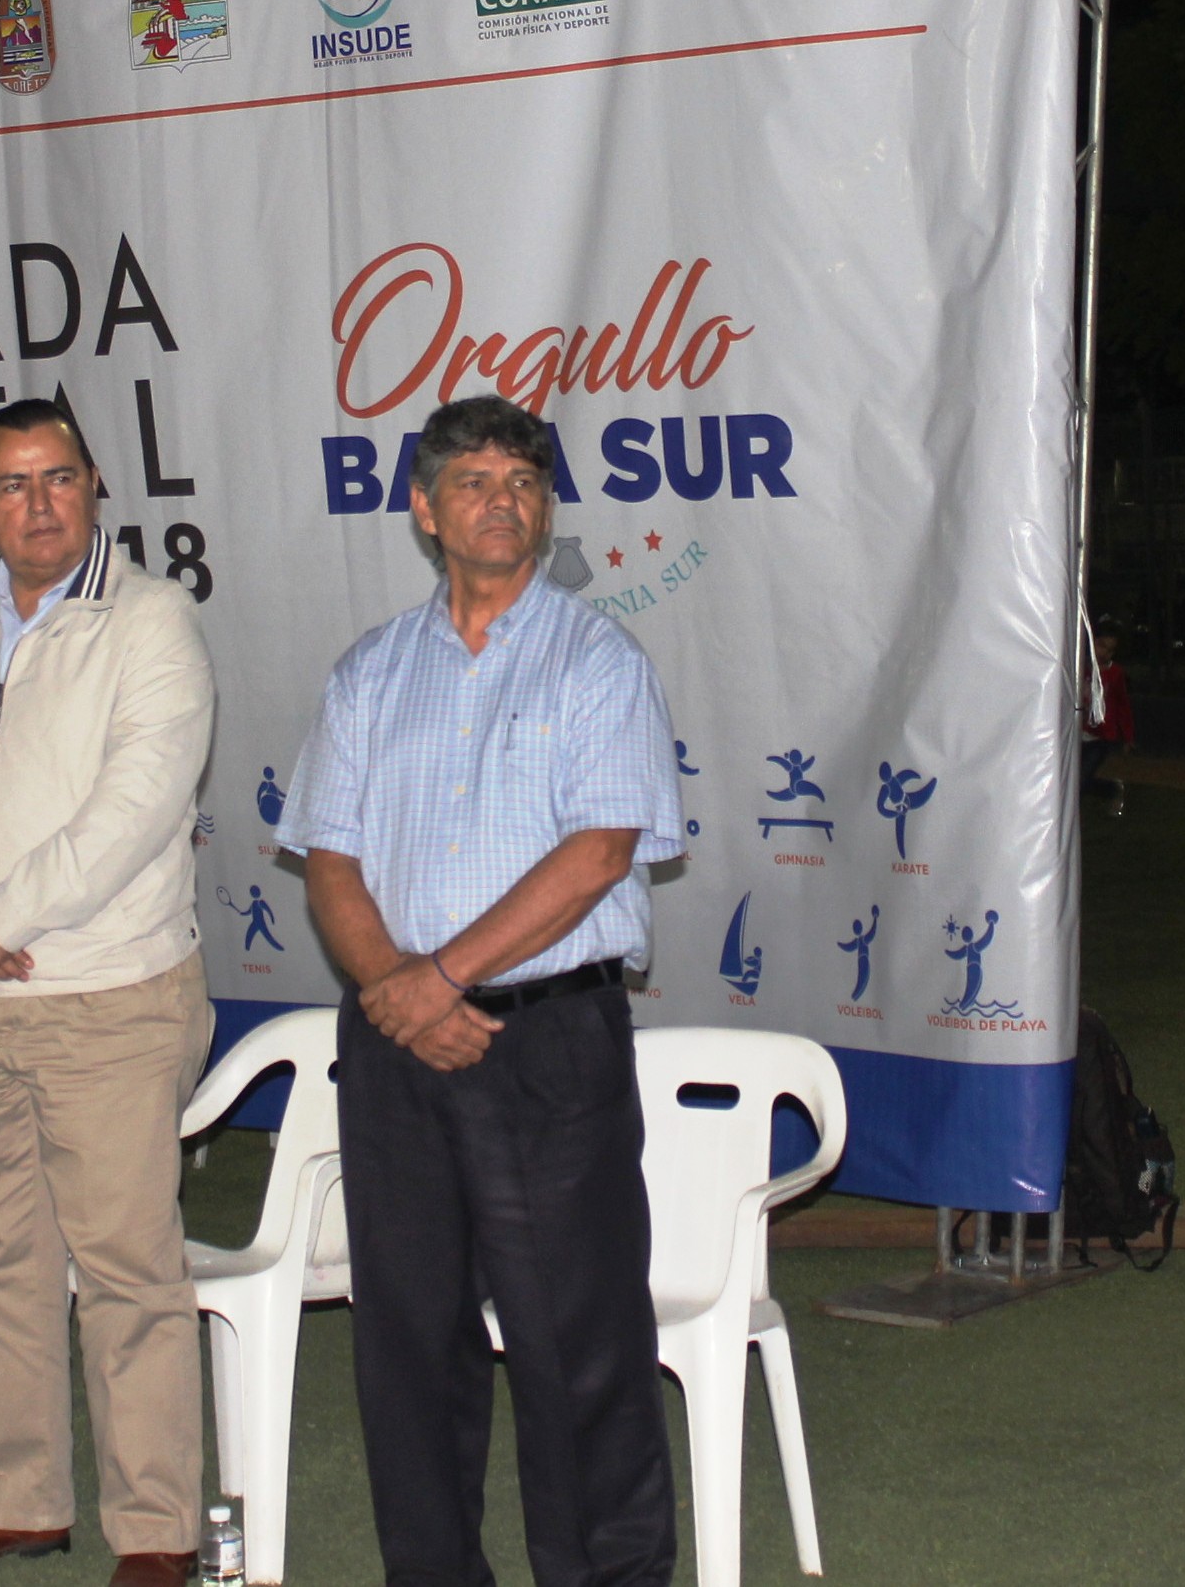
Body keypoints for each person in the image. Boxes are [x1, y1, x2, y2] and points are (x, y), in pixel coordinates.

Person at [275, 394, 686, 1587]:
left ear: (545, 508)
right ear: (424, 509)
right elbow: (331, 857)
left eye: (522, 481)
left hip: (548, 1045)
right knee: (407, 1342)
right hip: (394, 1046)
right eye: (472, 480)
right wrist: (395, 989)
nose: (501, 500)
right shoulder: (369, 670)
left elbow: (598, 853)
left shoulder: (597, 659)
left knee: (578, 1346)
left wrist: (440, 978)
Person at [0, 398, 215, 1586]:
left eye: (57, 477)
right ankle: (15, 1499)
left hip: (108, 994)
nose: (38, 503)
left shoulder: (151, 620)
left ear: (95, 484)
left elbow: (137, 806)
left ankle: (156, 1530)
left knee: (126, 1269)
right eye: (12, 485)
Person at [1082, 624, 1133, 816]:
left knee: (1082, 778)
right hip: (1078, 733)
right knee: (1075, 777)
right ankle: (1110, 788)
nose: (1104, 653)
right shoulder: (1080, 667)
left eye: (1110, 650)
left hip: (1100, 737)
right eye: (1101, 645)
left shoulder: (1115, 673)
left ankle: (1112, 789)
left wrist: (1127, 736)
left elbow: (1122, 705)